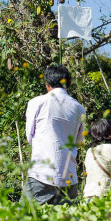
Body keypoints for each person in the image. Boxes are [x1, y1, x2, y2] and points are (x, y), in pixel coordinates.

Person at [24, 64, 86, 205]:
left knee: (24, 220)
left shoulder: (36, 102)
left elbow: (29, 137)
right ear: (68, 85)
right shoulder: (79, 108)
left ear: (47, 85)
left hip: (41, 174)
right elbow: (79, 141)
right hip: (69, 176)